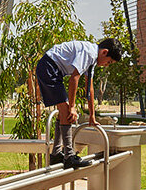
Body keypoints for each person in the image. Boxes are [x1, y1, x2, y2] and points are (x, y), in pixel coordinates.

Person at [31, 37, 125, 167]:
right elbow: (74, 79)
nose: (105, 65)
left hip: (53, 69)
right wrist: (72, 107)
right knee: (67, 112)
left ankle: (56, 154)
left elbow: (89, 88)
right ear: (104, 52)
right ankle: (68, 156)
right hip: (49, 67)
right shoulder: (89, 53)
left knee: (64, 112)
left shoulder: (92, 59)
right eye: (108, 62)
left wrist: (92, 115)